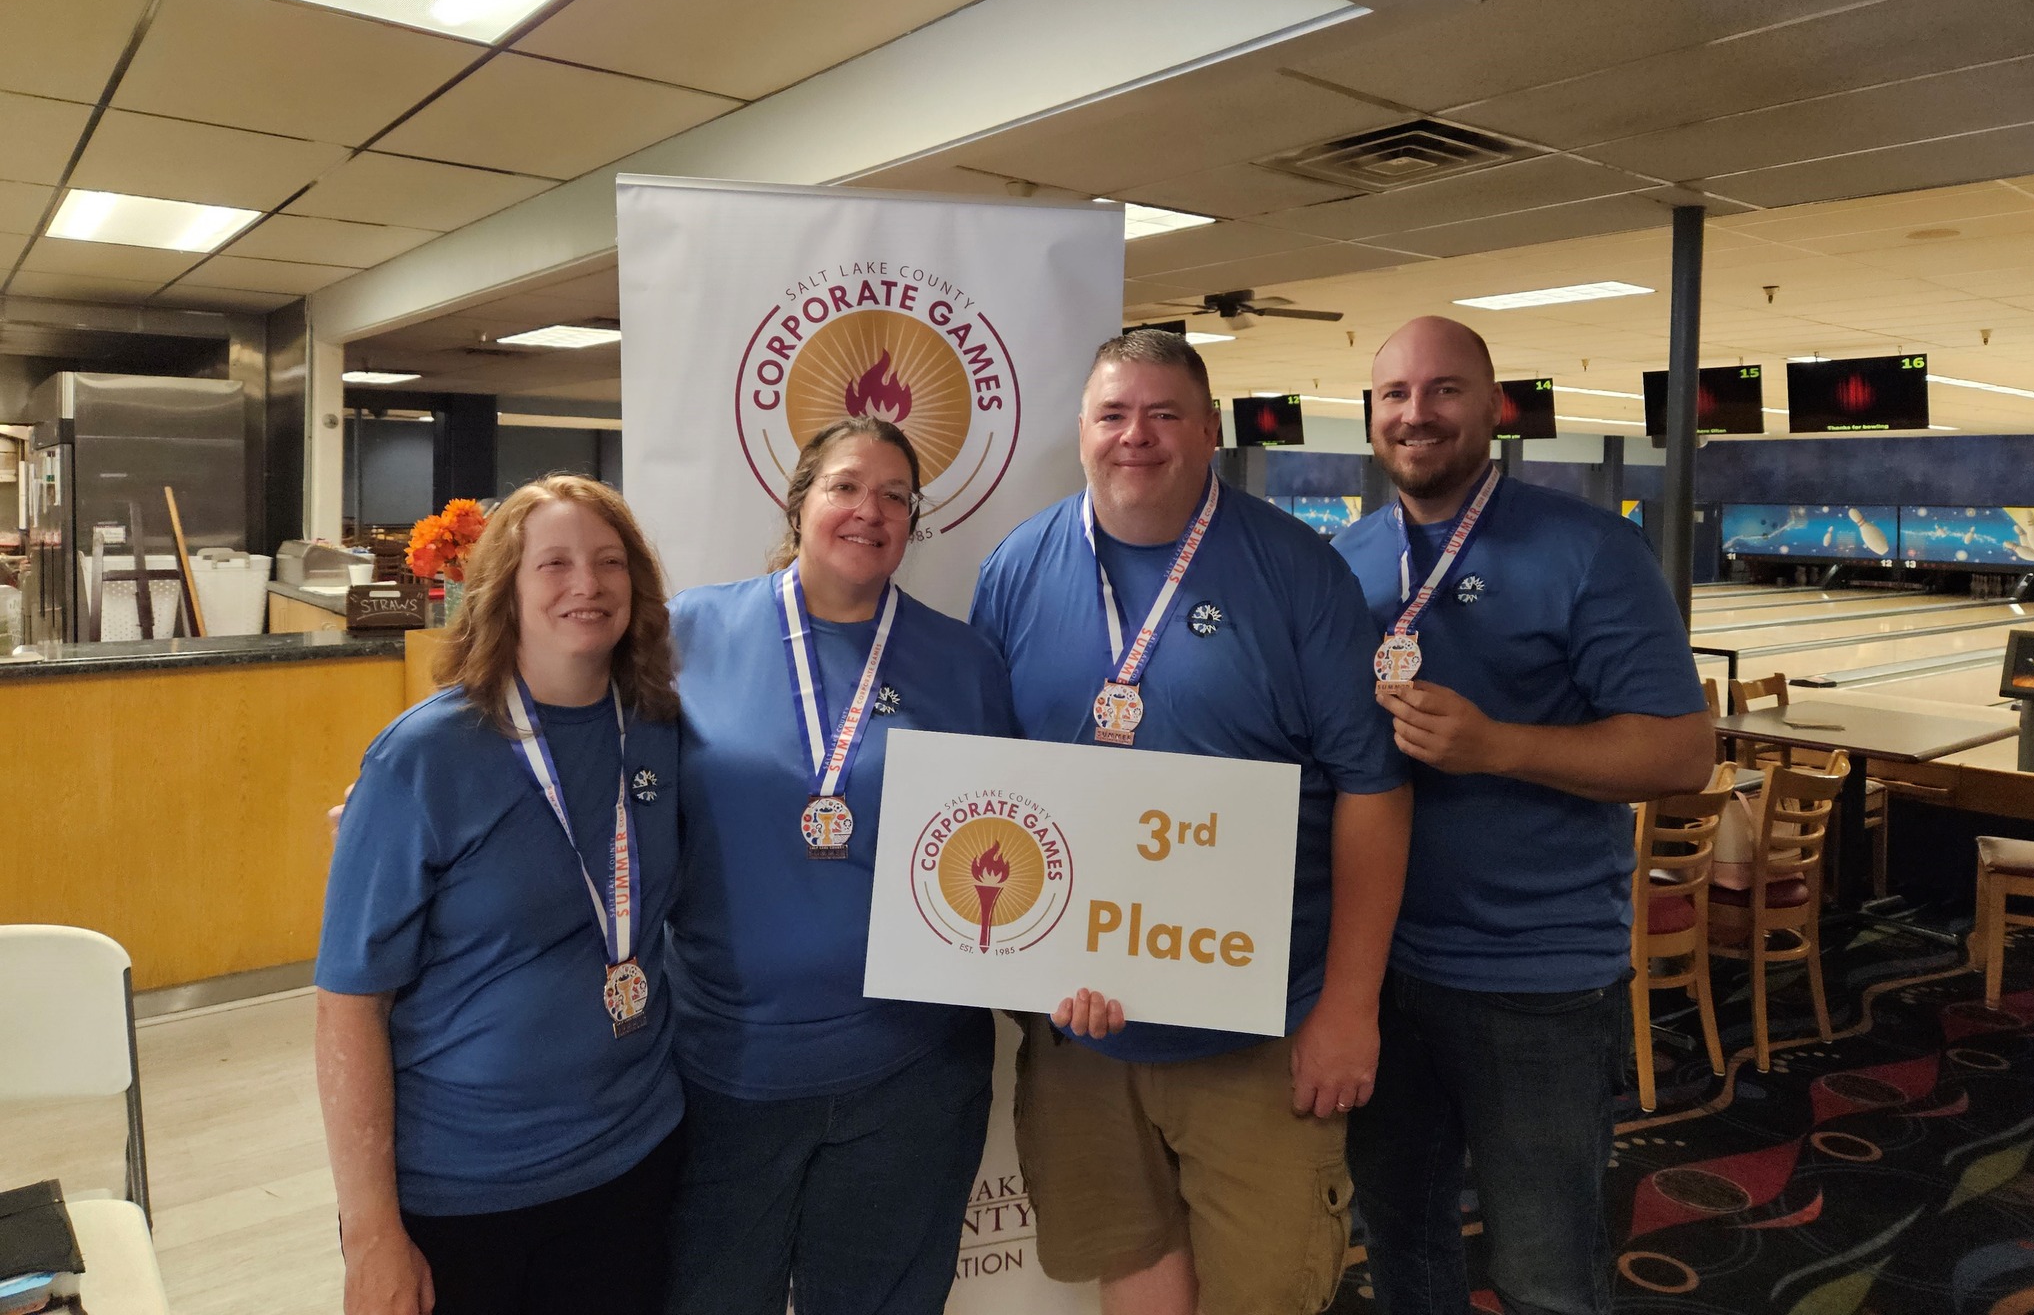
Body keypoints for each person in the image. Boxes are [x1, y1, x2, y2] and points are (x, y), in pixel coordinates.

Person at [969, 329, 1414, 1315]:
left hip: (1256, 1036)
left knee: (1261, 1293)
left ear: (1208, 431)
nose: (1137, 436)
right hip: (1086, 1039)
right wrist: (1025, 970)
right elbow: (992, 792)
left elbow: (1372, 793)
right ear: (1080, 431)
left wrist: (1347, 1008)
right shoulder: (1015, 570)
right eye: (1113, 414)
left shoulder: (1297, 573)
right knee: (1131, 1273)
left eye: (1164, 414)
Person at [660, 414, 1118, 1315]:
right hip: (722, 1072)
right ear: (799, 505)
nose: (869, 511)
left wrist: (1077, 968)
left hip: (907, 1079)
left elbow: (1018, 839)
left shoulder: (963, 663)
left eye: (895, 496)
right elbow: (590, 759)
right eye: (845, 487)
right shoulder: (690, 633)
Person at [1332, 315, 1716, 1315]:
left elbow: (1681, 752)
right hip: (1376, 970)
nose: (1416, 413)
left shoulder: (1588, 549)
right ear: (1370, 417)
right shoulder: (1343, 563)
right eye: (1393, 396)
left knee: (1544, 1271)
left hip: (1534, 979)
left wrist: (1493, 744)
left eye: (1443, 390)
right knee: (1401, 1248)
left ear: (1493, 409)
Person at [315, 476, 686, 1315]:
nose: (586, 585)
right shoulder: (423, 759)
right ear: (504, 591)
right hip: (468, 1192)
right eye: (552, 564)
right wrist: (371, 1233)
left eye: (608, 562)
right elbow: (347, 1007)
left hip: (635, 1159)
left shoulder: (658, 728)